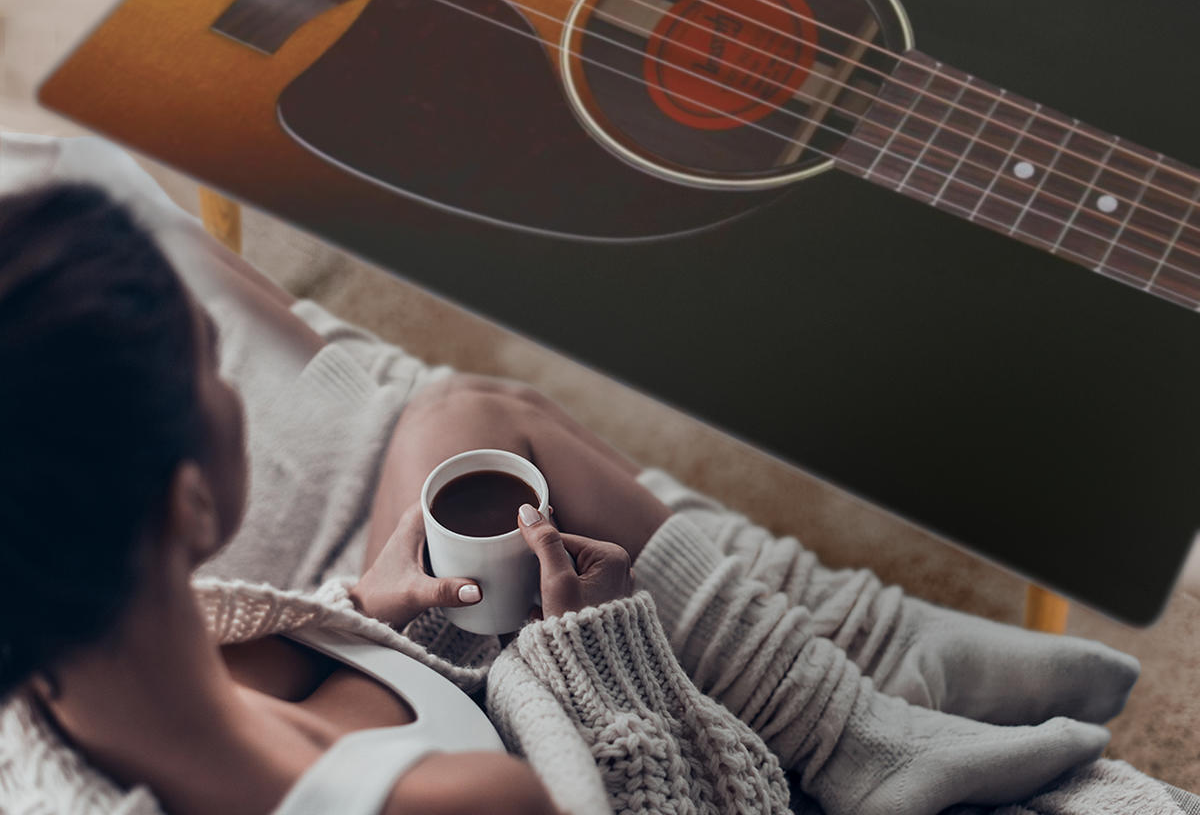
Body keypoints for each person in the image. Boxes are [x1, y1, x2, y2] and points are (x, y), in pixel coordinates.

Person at [0, 178, 1142, 815]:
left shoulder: (45, 674)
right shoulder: (464, 809)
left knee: (462, 424)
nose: (243, 384)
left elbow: (234, 689)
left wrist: (359, 606)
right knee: (487, 448)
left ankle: (865, 685)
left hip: (380, 696)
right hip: (559, 750)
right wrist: (601, 653)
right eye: (215, 366)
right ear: (190, 507)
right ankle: (851, 736)